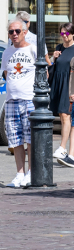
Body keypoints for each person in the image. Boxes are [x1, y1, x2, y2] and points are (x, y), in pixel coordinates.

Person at [1, 19, 37, 187]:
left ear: (24, 32)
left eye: (17, 31)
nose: (14, 34)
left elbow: (44, 74)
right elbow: (6, 74)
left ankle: (31, 173)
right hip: (11, 100)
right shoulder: (7, 52)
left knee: (30, 138)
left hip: (29, 99)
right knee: (15, 139)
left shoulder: (33, 49)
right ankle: (19, 173)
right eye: (11, 32)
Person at [49, 23, 74, 167]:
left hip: (69, 85)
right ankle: (64, 149)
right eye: (62, 33)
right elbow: (53, 68)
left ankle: (63, 147)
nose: (64, 36)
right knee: (61, 115)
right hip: (58, 84)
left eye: (66, 33)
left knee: (66, 115)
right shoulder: (59, 48)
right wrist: (54, 58)